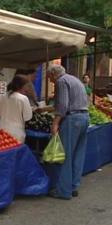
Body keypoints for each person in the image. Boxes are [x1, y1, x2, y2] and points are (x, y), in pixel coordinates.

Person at [47, 64, 89, 200]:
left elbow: (63, 105)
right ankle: (74, 186)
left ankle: (64, 191)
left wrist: (55, 123)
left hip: (73, 120)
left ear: (54, 74)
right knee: (78, 154)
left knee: (66, 156)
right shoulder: (74, 79)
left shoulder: (61, 81)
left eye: (50, 78)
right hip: (84, 117)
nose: (50, 81)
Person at [0, 75, 33, 143]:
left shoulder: (3, 97)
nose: (27, 88)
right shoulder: (23, 98)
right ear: (22, 86)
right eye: (26, 86)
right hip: (17, 133)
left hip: (2, 131)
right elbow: (27, 117)